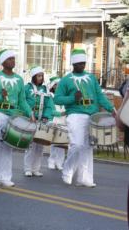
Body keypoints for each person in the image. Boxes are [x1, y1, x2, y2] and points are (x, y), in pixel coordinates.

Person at [54, 48, 115, 188]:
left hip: (92, 115)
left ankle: (84, 178)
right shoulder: (65, 80)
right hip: (75, 114)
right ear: (74, 64)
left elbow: (99, 96)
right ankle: (67, 170)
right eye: (80, 63)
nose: (82, 65)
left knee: (87, 147)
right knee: (76, 144)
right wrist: (72, 98)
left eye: (84, 63)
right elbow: (57, 99)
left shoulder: (91, 78)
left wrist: (112, 109)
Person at [0, 49, 35, 187]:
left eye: (13, 58)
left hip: (11, 114)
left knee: (7, 146)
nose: (13, 61)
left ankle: (4, 176)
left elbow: (22, 100)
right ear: (3, 62)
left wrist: (30, 113)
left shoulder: (19, 79)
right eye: (10, 59)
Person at [24, 66, 53, 177]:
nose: (41, 78)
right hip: (30, 120)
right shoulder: (27, 88)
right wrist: (28, 113)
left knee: (40, 146)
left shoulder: (45, 89)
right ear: (34, 77)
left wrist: (46, 116)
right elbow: (23, 101)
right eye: (39, 76)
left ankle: (36, 169)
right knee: (30, 146)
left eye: (42, 76)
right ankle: (28, 168)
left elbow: (49, 105)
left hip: (41, 121)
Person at [47, 76, 66, 170]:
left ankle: (59, 163)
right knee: (54, 143)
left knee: (62, 144)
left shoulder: (64, 97)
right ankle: (51, 161)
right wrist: (61, 113)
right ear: (53, 86)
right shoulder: (50, 96)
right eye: (57, 85)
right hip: (55, 121)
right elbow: (51, 111)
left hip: (64, 122)